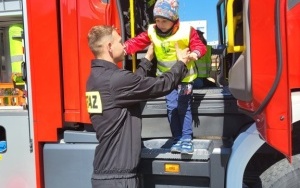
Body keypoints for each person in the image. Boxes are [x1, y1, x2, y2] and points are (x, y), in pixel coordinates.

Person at [86, 25, 190, 188]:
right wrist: (181, 63)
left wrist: (147, 59)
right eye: (120, 42)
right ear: (109, 47)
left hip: (107, 174)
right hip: (118, 180)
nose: (124, 45)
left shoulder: (95, 78)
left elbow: (131, 87)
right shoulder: (115, 79)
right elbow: (161, 85)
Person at [124, 0, 207, 154]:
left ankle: (187, 139)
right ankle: (177, 139)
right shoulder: (152, 31)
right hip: (166, 79)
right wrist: (125, 48)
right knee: (171, 108)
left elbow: (199, 45)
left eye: (164, 21)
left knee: (184, 107)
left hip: (185, 78)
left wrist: (196, 53)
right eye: (157, 20)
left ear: (174, 20)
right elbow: (137, 41)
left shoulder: (186, 30)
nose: (160, 24)